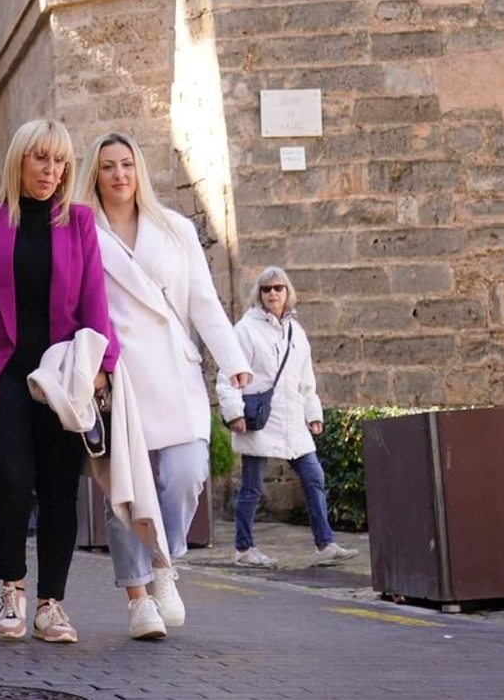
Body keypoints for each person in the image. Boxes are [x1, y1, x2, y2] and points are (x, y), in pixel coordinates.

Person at [75, 132, 253, 640]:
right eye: (107, 166)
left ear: (139, 171)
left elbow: (203, 300)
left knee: (186, 471)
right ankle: (138, 599)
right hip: (119, 376)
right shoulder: (84, 231)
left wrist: (233, 360)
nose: (118, 175)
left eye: (127, 164)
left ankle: (164, 564)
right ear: (96, 174)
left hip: (174, 371)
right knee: (126, 490)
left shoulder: (175, 229)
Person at [0, 118, 114, 645]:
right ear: (19, 160)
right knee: (13, 479)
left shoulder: (80, 222)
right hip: (2, 373)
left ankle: (52, 604)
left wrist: (100, 365)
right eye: (40, 159)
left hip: (62, 378)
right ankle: (11, 591)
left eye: (60, 161)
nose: (51, 171)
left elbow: (95, 297)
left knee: (58, 490)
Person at [219, 267, 359, 569]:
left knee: (314, 477)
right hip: (259, 419)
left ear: (287, 292)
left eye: (278, 288)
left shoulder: (297, 332)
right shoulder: (245, 329)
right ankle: (244, 549)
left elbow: (305, 378)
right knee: (252, 487)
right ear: (259, 293)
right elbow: (228, 373)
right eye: (267, 288)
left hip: (293, 421)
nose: (272, 293)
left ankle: (325, 544)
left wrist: (313, 414)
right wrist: (234, 413)